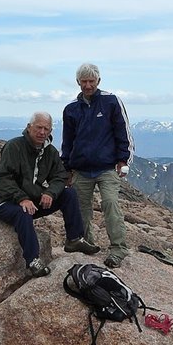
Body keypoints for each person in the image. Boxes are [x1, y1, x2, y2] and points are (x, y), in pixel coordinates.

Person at [0, 111, 100, 277]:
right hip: (8, 202)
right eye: (38, 127)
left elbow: (60, 176)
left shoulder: (49, 152)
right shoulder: (14, 146)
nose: (42, 132)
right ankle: (32, 260)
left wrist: (50, 192)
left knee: (69, 194)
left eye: (46, 129)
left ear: (50, 131)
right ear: (29, 127)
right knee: (23, 213)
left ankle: (74, 239)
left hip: (33, 201)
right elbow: (3, 179)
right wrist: (22, 198)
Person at [62, 63, 134, 269]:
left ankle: (118, 248)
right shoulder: (71, 110)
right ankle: (86, 243)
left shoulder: (111, 102)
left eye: (91, 81)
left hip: (107, 167)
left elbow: (123, 132)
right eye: (83, 81)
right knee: (81, 209)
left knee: (110, 203)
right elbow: (68, 141)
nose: (87, 85)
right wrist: (66, 168)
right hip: (81, 169)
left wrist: (123, 160)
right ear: (78, 82)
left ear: (98, 81)